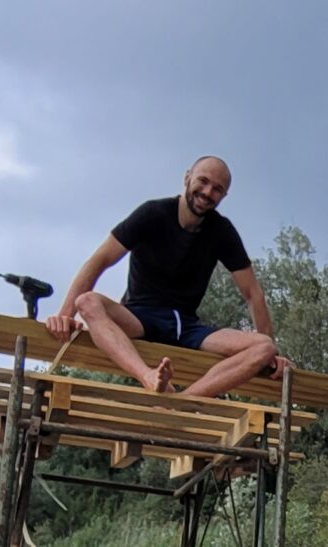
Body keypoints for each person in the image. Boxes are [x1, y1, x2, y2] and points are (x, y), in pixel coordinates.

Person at [42, 156, 288, 397]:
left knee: (264, 346)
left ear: (224, 196)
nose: (207, 192)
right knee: (87, 302)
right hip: (139, 316)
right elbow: (99, 260)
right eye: (202, 181)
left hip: (187, 327)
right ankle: (148, 376)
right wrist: (65, 316)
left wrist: (272, 356)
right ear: (187, 177)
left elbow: (252, 292)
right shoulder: (153, 214)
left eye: (217, 189)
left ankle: (184, 400)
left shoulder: (221, 231)